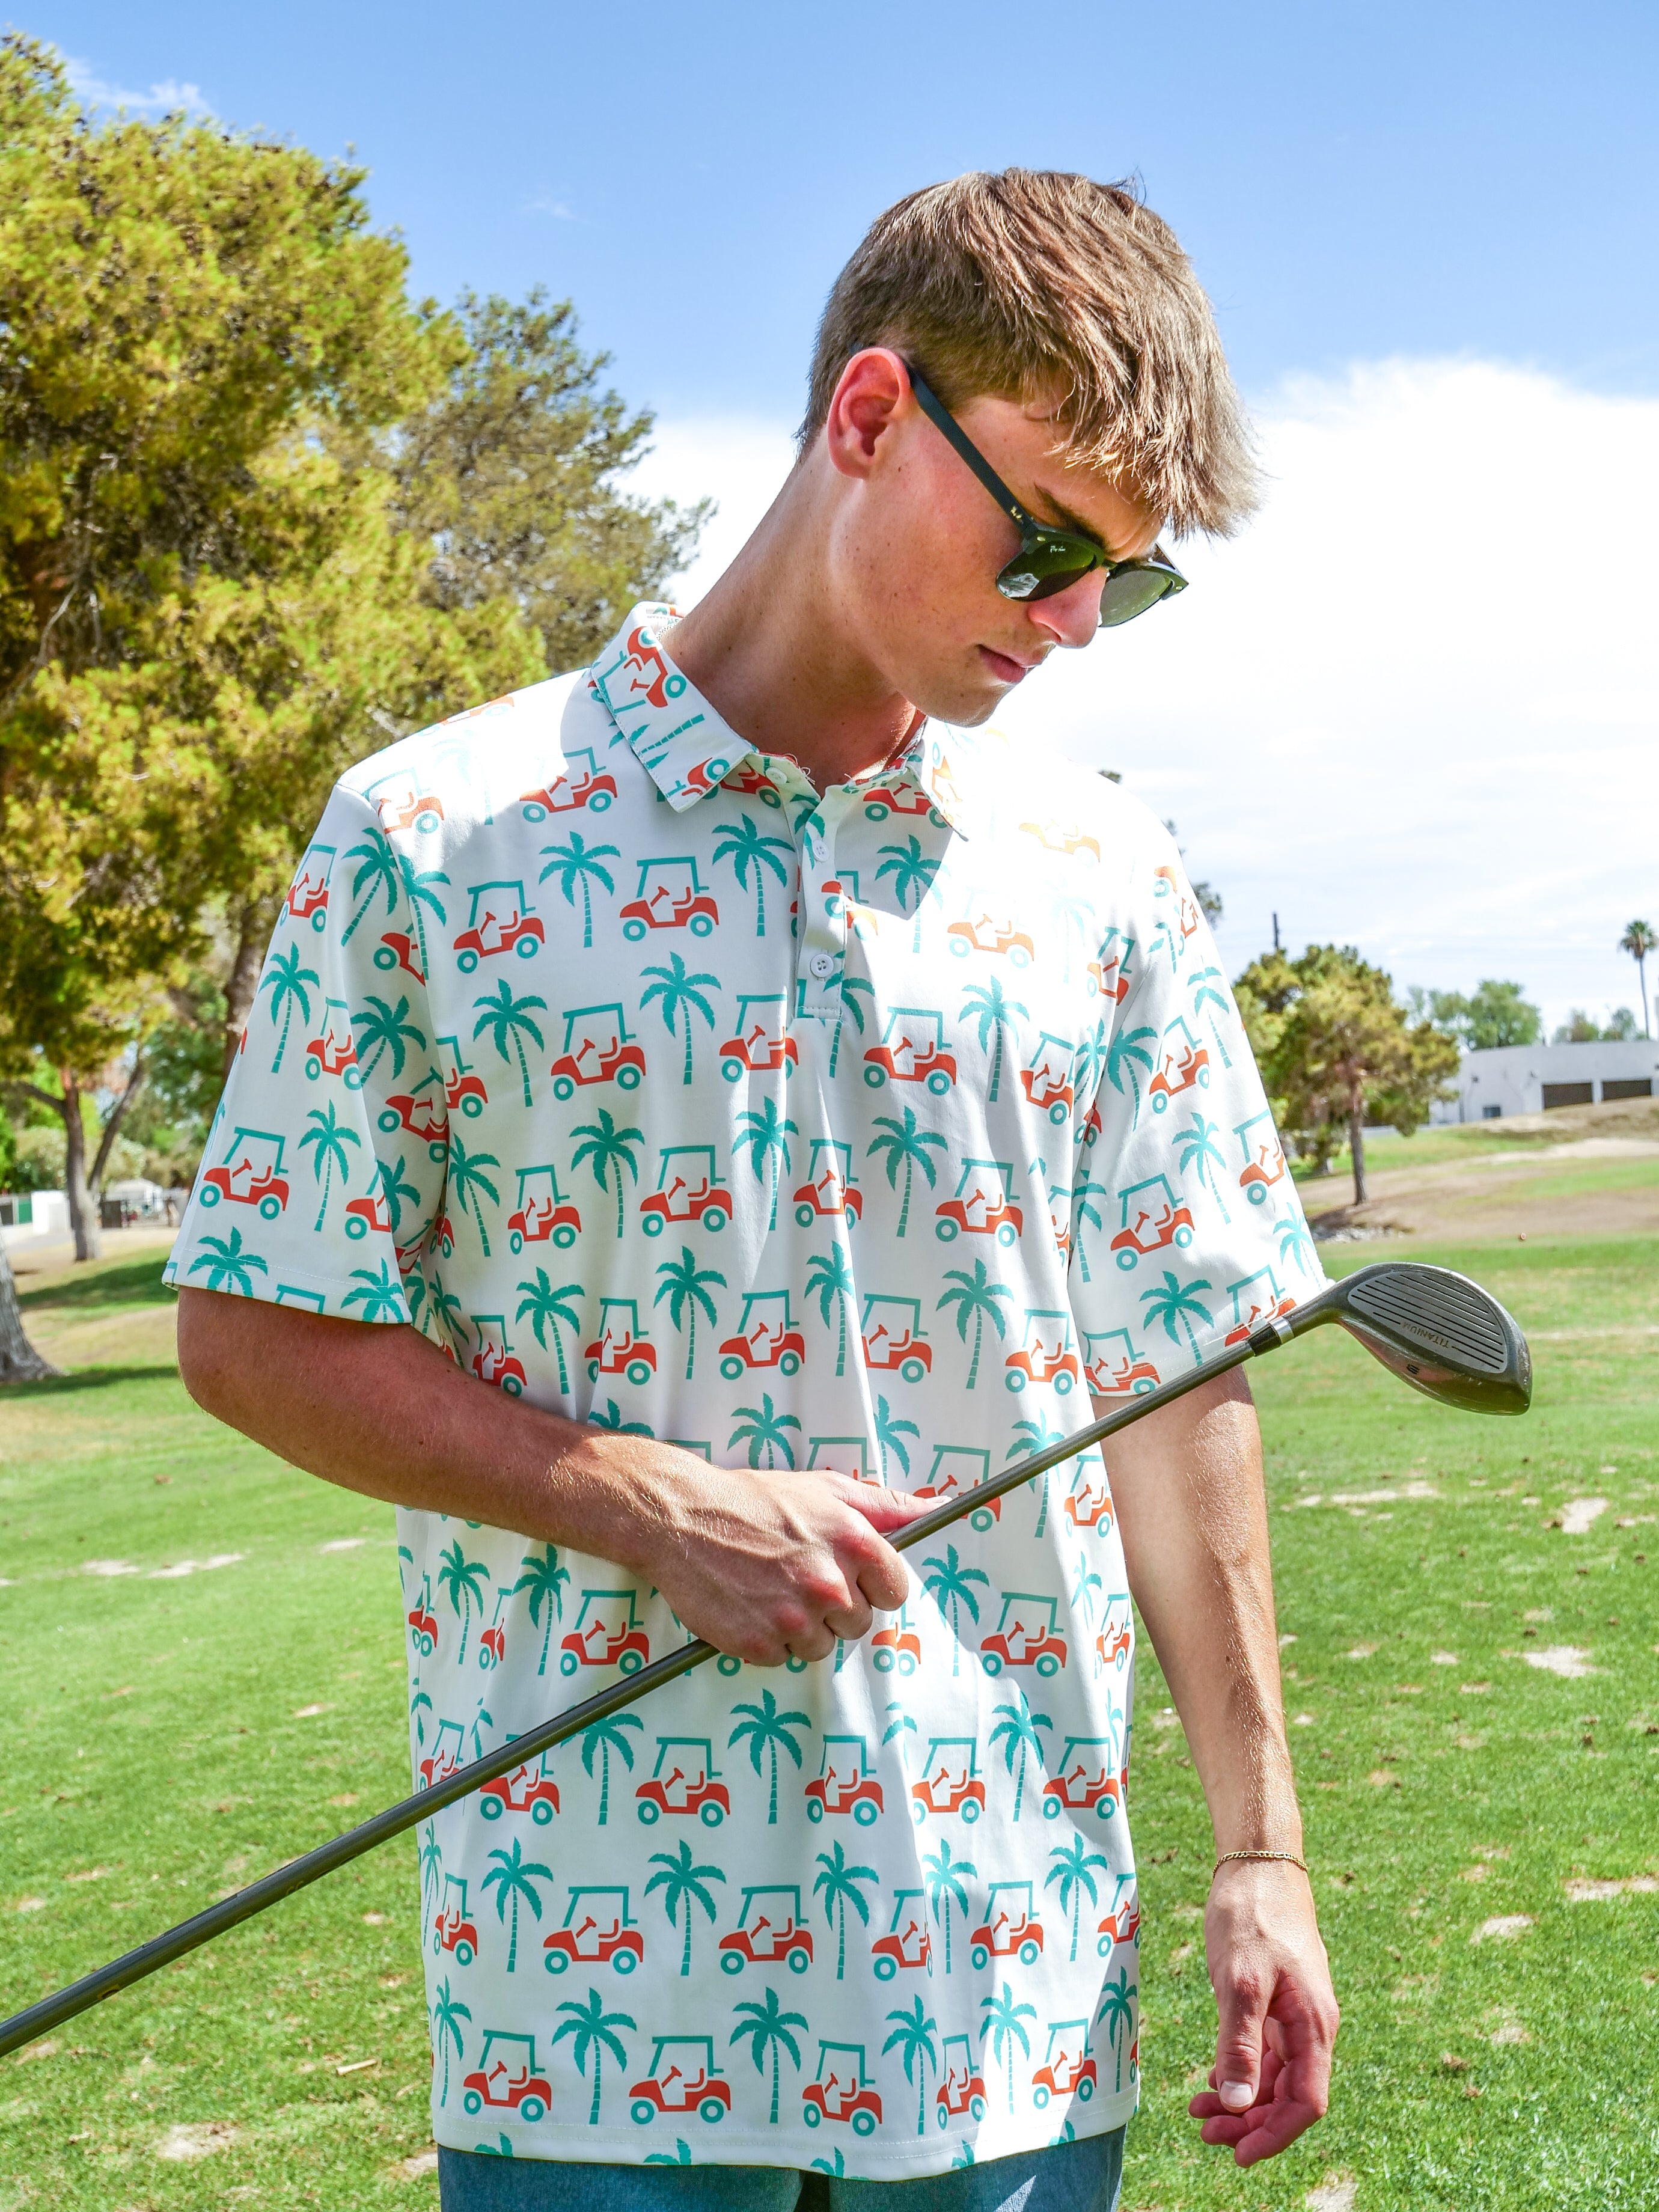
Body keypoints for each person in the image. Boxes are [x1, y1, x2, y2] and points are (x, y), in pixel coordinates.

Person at [174, 169, 1338, 2212]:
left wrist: (1263, 1849)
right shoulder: (431, 836)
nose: (1073, 622)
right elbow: (250, 1326)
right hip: (582, 2004)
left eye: (1126, 583)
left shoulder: (1107, 870)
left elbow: (1179, 1378)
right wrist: (639, 1499)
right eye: (1048, 544)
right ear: (872, 414)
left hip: (1008, 1987)